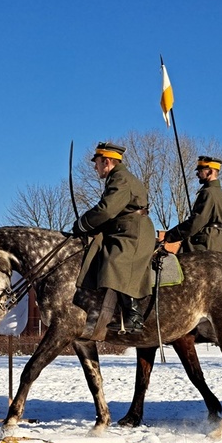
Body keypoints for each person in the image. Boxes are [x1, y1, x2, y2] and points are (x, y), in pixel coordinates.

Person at [73, 142, 156, 334]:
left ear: (107, 161)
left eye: (97, 162)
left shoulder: (120, 178)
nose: (95, 167)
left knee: (115, 261)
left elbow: (107, 209)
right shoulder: (117, 177)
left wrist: (82, 224)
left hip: (132, 231)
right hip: (122, 227)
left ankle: (134, 316)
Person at [164, 155, 222, 253]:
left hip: (205, 244)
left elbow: (197, 221)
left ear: (210, 171)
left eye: (200, 171)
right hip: (221, 244)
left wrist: (170, 235)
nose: (197, 174)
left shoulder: (207, 192)